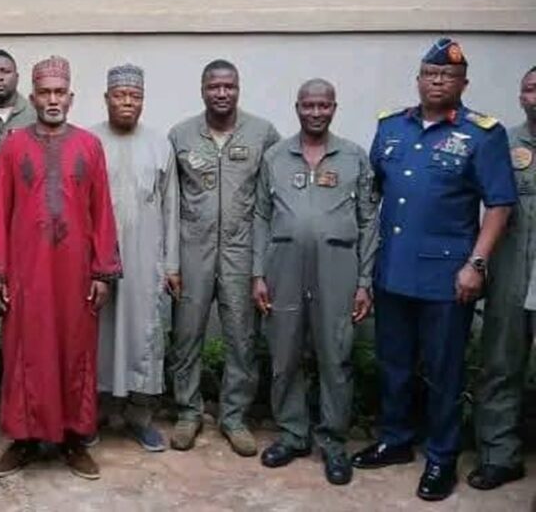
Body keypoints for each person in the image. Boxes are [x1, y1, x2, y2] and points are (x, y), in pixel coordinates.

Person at [351, 38, 516, 502]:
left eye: (447, 75)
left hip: (447, 278)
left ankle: (442, 456)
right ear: (418, 79)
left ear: (463, 83)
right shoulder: (391, 127)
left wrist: (476, 264)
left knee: (444, 371)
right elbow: (374, 193)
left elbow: (500, 204)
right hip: (392, 270)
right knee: (394, 364)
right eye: (430, 74)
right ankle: (396, 439)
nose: (437, 81)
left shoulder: (482, 134)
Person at [0, 56, 121, 480]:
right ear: (33, 97)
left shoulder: (89, 146)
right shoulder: (13, 146)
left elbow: (102, 211)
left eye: (60, 92)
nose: (53, 100)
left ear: (71, 97)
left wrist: (102, 271)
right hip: (26, 272)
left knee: (75, 351)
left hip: (76, 273)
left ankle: (73, 439)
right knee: (25, 351)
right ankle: (23, 440)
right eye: (45, 93)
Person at [252, 79, 378, 486]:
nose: (316, 112)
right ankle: (292, 434)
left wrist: (364, 281)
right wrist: (258, 273)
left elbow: (369, 222)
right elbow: (260, 216)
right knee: (284, 354)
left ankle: (334, 443)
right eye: (309, 105)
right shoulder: (275, 157)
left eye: (324, 105)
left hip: (337, 270)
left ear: (334, 108)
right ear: (297, 108)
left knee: (335, 356)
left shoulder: (354, 157)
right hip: (283, 268)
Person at [168, 59, 281, 456]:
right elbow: (169, 202)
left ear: (238, 89)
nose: (221, 93)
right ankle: (188, 412)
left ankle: (234, 417)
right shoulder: (181, 136)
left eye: (228, 86)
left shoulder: (263, 134)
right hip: (192, 251)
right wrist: (171, 261)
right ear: (202, 90)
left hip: (241, 252)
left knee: (242, 338)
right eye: (214, 86)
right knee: (186, 337)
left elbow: (271, 201)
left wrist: (262, 265)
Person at [87, 64, 178, 452]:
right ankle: (95, 412)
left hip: (145, 258)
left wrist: (171, 265)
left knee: (143, 334)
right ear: (106, 98)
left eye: (135, 96)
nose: (127, 102)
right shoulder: (88, 141)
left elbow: (171, 207)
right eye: (120, 95)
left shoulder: (159, 144)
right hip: (96, 261)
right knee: (98, 335)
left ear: (143, 101)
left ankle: (140, 417)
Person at [469, 65, 536, 491]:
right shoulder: (502, 144)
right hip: (512, 271)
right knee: (500, 364)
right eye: (530, 88)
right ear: (520, 96)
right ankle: (499, 455)